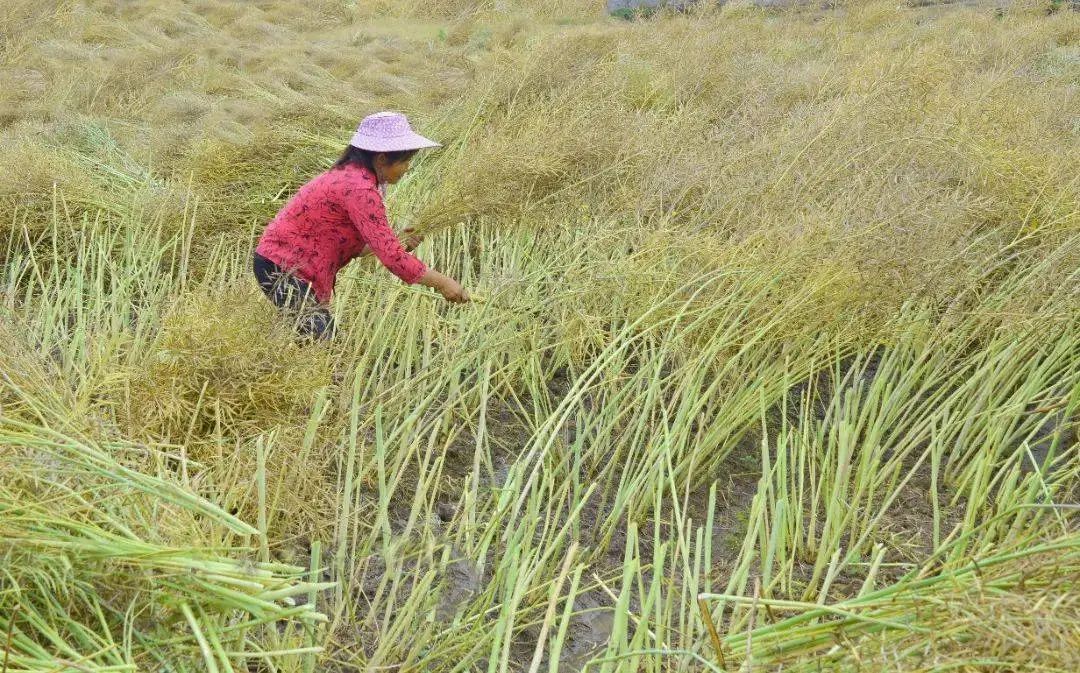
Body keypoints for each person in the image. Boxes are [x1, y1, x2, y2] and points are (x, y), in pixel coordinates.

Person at [252, 111, 468, 340]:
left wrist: (397, 240)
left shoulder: (352, 177)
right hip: (283, 268)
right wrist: (444, 283)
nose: (407, 168)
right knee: (323, 344)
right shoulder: (359, 189)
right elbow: (393, 259)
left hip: (284, 267)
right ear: (382, 158)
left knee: (313, 343)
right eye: (404, 161)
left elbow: (355, 247)